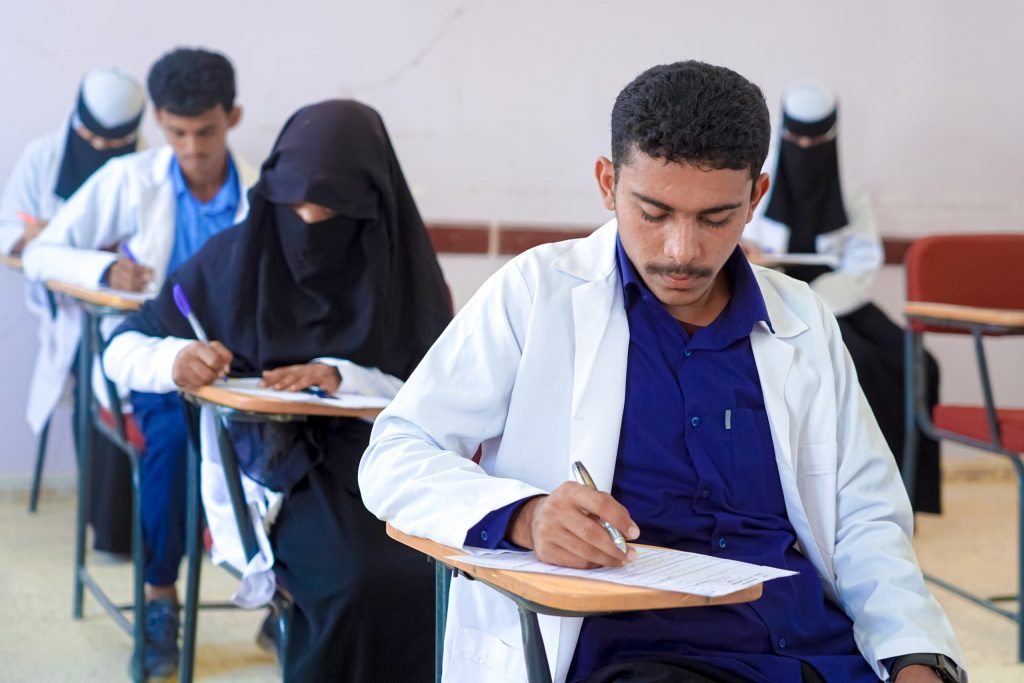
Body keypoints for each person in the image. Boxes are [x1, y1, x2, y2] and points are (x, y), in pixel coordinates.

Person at [359, 62, 966, 683]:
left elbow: (865, 516)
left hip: (812, 649)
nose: (682, 252)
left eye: (715, 219)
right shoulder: (537, 292)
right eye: (653, 213)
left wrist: (915, 656)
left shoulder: (801, 318)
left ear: (756, 197)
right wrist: (525, 516)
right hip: (639, 656)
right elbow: (396, 453)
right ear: (608, 183)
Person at [103, 99, 451, 681]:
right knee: (354, 582)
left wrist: (343, 375)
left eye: (332, 212)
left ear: (370, 207)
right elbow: (122, 344)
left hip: (392, 458)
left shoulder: (404, 274)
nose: (309, 224)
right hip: (278, 472)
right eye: (294, 207)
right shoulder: (232, 260)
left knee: (440, 577)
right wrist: (175, 359)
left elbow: (447, 394)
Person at [22, 47, 257, 677]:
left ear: (231, 118)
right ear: (157, 121)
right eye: (176, 132)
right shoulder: (130, 179)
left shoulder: (262, 191)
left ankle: (286, 591)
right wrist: (104, 269)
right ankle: (160, 596)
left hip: (239, 359)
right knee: (175, 442)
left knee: (300, 441)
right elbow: (42, 253)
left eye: (205, 132)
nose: (191, 149)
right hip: (153, 357)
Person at [742, 81, 941, 513]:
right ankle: (853, 495)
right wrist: (756, 256)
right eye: (797, 140)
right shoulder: (756, 186)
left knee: (916, 362)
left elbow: (863, 260)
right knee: (857, 363)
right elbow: (742, 245)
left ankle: (908, 490)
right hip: (778, 296)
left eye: (815, 142)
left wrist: (822, 296)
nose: (805, 149)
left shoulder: (849, 193)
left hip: (838, 298)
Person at [0, 67, 145, 555]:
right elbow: (6, 229)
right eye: (91, 139)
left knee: (139, 382)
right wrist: (31, 236)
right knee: (99, 381)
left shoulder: (147, 166)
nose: (101, 149)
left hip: (130, 308)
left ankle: (155, 523)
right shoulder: (42, 157)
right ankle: (112, 530)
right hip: (71, 314)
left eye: (113, 144)